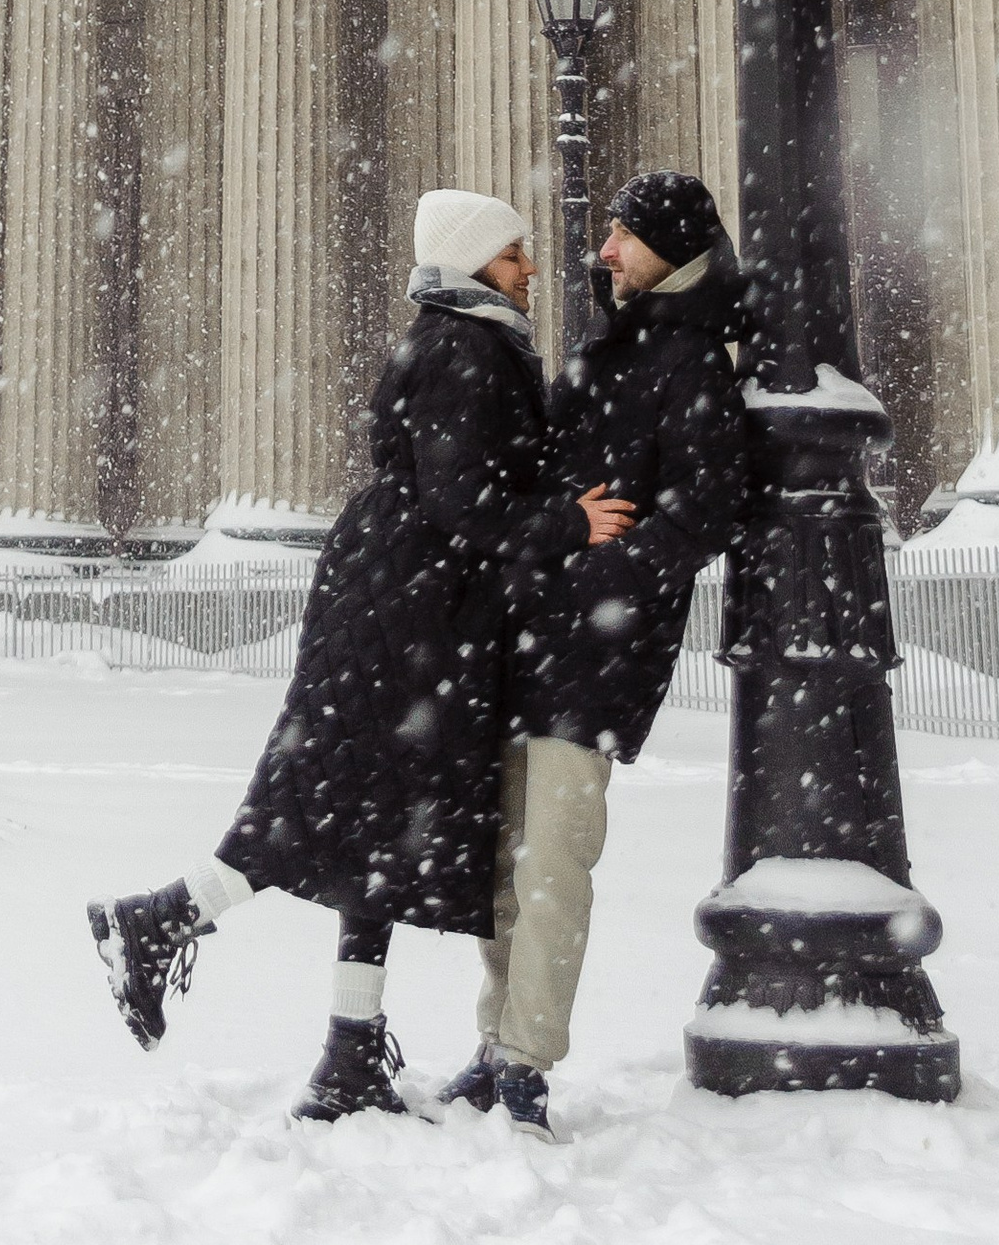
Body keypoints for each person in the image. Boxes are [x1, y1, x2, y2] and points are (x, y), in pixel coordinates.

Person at [89, 188, 631, 1124]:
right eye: (512, 255)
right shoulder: (466, 349)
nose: (528, 269)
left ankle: (348, 1055)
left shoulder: (463, 338)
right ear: (472, 264)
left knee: (374, 827)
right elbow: (467, 504)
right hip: (405, 616)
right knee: (322, 806)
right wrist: (568, 522)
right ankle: (157, 917)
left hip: (406, 605)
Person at [435, 168, 751, 1138]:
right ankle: (495, 1045)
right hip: (532, 630)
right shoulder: (608, 349)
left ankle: (526, 1059)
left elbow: (707, 508)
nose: (601, 250)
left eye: (622, 235)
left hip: (599, 648)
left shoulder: (691, 360)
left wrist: (604, 569)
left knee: (553, 862)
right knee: (499, 860)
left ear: (670, 247)